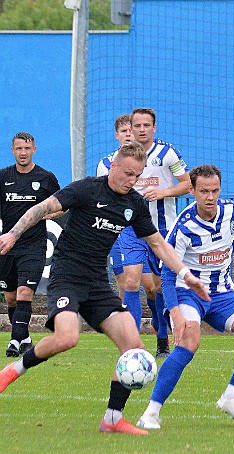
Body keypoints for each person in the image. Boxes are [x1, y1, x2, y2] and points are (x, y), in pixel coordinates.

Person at [0, 142, 209, 435]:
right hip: (67, 277)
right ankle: (12, 371)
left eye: (137, 175)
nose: (131, 180)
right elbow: (41, 209)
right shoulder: (86, 189)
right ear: (113, 166)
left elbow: (158, 243)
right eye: (127, 173)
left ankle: (112, 419)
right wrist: (13, 233)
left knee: (133, 347)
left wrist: (186, 273)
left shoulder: (134, 203)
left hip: (97, 283)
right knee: (67, 337)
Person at [137, 164, 234, 429]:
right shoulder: (183, 226)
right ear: (191, 191)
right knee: (190, 340)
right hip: (185, 292)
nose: (210, 197)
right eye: (203, 192)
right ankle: (151, 412)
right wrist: (175, 313)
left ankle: (231, 396)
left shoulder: (232, 211)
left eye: (214, 191)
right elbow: (168, 274)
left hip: (221, 292)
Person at [122, 107, 191, 358]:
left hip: (162, 229)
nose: (141, 130)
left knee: (158, 288)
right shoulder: (123, 156)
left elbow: (187, 184)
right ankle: (130, 343)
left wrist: (162, 193)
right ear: (131, 129)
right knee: (132, 281)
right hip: (131, 229)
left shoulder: (167, 153)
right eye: (137, 126)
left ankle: (162, 336)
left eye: (146, 125)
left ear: (154, 128)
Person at [0, 132, 60, 357]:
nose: (23, 153)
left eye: (27, 148)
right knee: (11, 297)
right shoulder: (3, 176)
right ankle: (24, 337)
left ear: (34, 149)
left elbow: (62, 205)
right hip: (7, 245)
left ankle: (14, 341)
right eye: (18, 149)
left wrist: (48, 215)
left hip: (34, 246)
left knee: (26, 292)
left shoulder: (45, 178)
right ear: (12, 150)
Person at [96, 114, 134, 301]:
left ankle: (159, 323)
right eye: (123, 131)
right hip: (117, 230)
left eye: (130, 130)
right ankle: (123, 319)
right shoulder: (105, 164)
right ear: (116, 135)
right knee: (123, 279)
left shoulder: (149, 161)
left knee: (153, 286)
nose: (128, 135)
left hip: (143, 228)